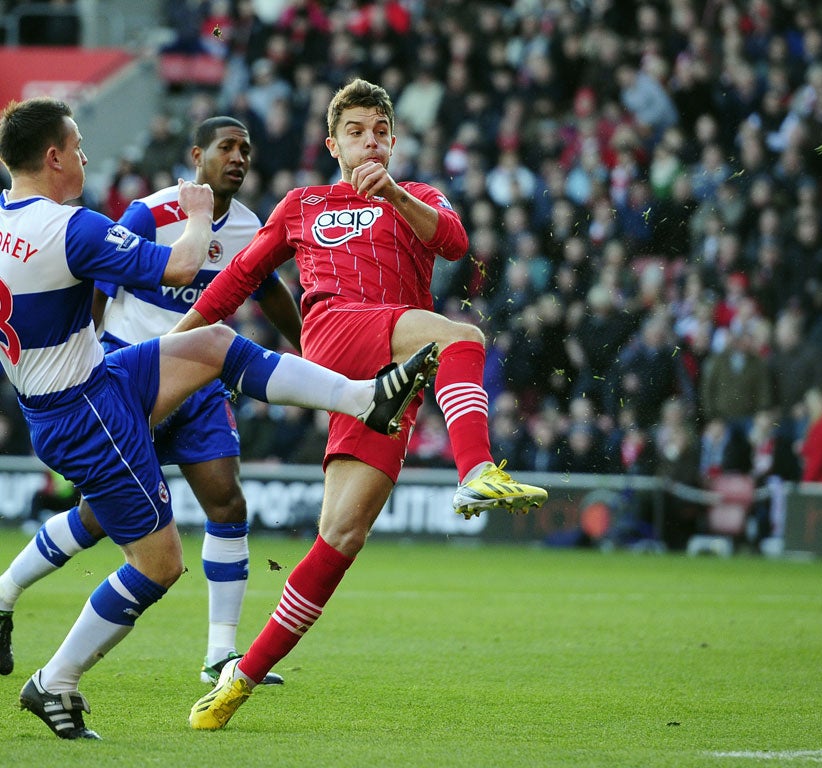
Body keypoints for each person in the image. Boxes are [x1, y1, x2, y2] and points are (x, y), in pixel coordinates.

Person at [0, 96, 437, 739]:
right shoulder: (76, 226)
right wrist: (199, 216)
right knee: (159, 563)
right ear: (55, 156)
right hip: (84, 410)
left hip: (94, 377)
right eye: (80, 145)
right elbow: (181, 265)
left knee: (213, 345)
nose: (89, 157)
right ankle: (56, 680)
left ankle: (363, 397)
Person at [178, 77, 548, 731]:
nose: (370, 141)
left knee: (341, 536)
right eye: (356, 131)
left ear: (394, 140)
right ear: (332, 143)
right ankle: (474, 472)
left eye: (380, 130)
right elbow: (242, 275)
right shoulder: (304, 202)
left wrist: (397, 196)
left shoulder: (420, 197)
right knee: (463, 337)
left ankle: (239, 679)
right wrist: (173, 350)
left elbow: (457, 245)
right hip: (336, 332)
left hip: (388, 382)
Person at [0, 116, 302, 687]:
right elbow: (94, 290)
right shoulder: (149, 213)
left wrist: (308, 344)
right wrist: (78, 373)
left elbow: (270, 291)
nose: (238, 157)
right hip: (129, 373)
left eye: (245, 148)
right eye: (225, 147)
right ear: (197, 155)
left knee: (226, 501)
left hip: (200, 381)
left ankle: (220, 654)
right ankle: (8, 590)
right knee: (101, 518)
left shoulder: (249, 227)